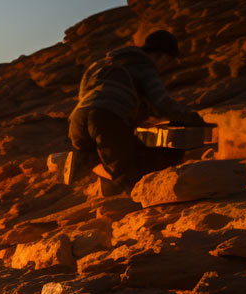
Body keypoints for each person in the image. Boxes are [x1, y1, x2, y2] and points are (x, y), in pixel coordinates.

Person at [68, 29, 204, 192]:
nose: (164, 68)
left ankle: (108, 183)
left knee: (89, 155)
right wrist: (194, 119)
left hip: (77, 119)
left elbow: (88, 99)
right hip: (107, 116)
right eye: (168, 61)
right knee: (129, 172)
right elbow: (163, 103)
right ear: (160, 55)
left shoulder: (100, 64)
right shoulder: (143, 64)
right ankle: (122, 193)